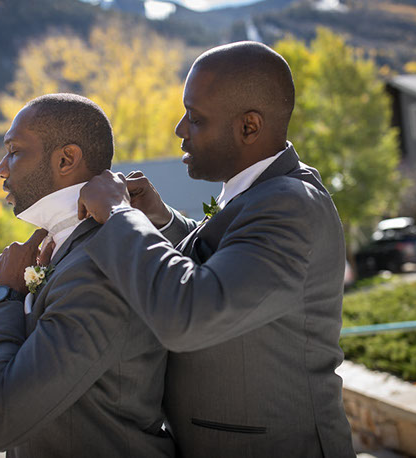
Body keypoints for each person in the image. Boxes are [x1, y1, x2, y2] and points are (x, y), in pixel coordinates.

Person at [77, 41, 356, 457]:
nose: (180, 129)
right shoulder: (263, 192)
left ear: (249, 127)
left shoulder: (289, 205)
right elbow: (227, 263)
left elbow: (192, 314)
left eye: (195, 118)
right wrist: (162, 221)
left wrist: (119, 215)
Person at [0, 94, 174, 457]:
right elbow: (84, 380)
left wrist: (6, 296)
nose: (0, 168)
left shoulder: (97, 264)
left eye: (13, 151)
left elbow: (1, 424)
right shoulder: (71, 248)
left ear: (66, 159)